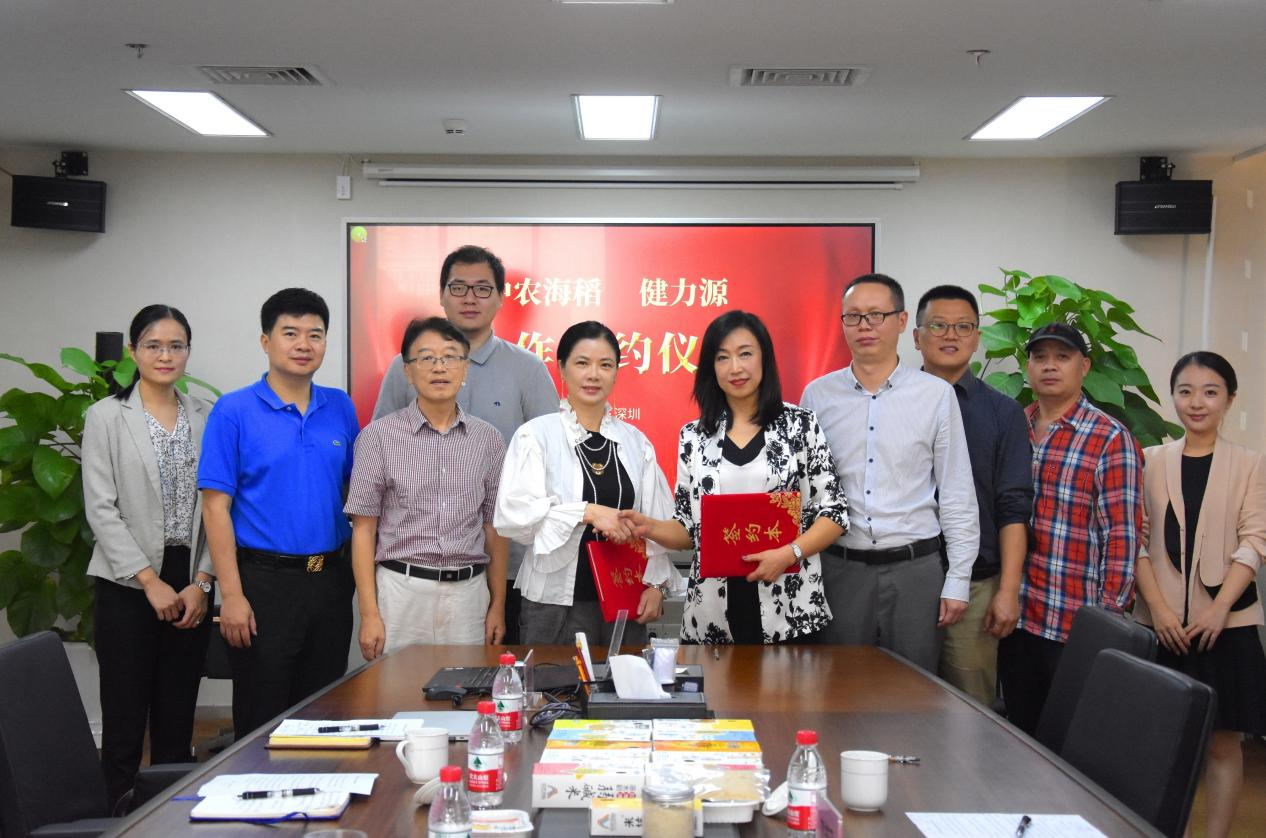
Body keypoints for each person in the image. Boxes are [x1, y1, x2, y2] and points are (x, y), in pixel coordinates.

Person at [628, 310, 849, 644]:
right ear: (710, 367)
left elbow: (834, 512)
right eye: (722, 357)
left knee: (794, 681)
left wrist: (789, 553)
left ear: (764, 358)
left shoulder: (800, 425)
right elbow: (689, 528)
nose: (735, 368)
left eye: (745, 354)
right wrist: (649, 527)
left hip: (789, 606)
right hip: (712, 613)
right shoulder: (693, 436)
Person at [372, 245, 556, 644]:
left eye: (482, 289)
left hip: (512, 565)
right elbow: (379, 454)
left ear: (501, 298)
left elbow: (552, 463)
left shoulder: (528, 369)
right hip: (413, 569)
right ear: (441, 295)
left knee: (493, 673)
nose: (470, 298)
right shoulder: (404, 368)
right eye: (458, 287)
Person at [198, 288, 360, 738]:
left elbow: (358, 492)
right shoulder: (233, 411)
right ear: (265, 341)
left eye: (315, 334)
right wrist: (231, 595)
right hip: (262, 585)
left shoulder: (340, 406)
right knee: (262, 718)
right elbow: (215, 507)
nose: (303, 344)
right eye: (290, 333)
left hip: (330, 582)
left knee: (325, 715)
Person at [801, 274, 979, 671]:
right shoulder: (817, 395)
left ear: (901, 321)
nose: (865, 325)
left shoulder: (935, 395)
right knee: (840, 688)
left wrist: (958, 580)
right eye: (853, 316)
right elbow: (807, 492)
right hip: (840, 569)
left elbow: (956, 492)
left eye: (876, 315)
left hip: (916, 572)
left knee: (915, 690)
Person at [83, 305, 213, 806]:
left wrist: (202, 581)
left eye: (176, 345)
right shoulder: (105, 416)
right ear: (133, 351)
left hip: (189, 576)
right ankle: (116, 816)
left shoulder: (206, 415)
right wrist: (148, 580)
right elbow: (101, 508)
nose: (165, 355)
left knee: (177, 713)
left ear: (187, 352)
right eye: (153, 345)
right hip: (127, 580)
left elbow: (219, 505)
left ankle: (171, 817)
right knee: (124, 714)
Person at [1134, 352, 1265, 838]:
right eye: (1185, 391)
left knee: (1223, 743)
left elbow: (1255, 540)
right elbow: (1135, 541)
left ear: (1229, 399)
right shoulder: (1149, 461)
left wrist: (1219, 609)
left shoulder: (1251, 464)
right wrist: (1159, 610)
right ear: (1172, 397)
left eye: (1210, 392)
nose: (1196, 402)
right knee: (1161, 741)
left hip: (1227, 625)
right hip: (1160, 623)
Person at [494, 320, 677, 646]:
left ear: (616, 373)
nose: (594, 374)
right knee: (554, 679)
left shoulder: (635, 442)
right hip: (553, 604)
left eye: (605, 365)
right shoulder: (536, 436)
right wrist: (587, 512)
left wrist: (655, 584)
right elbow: (514, 518)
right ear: (562, 369)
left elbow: (657, 521)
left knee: (623, 678)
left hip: (625, 598)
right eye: (582, 363)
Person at [997, 322, 1142, 734]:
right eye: (1040, 357)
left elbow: (1122, 536)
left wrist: (1105, 622)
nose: (1050, 366)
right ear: (1027, 366)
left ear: (1085, 366)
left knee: (1071, 740)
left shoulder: (1109, 437)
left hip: (1073, 623)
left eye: (1062, 357)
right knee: (1020, 735)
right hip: (1016, 616)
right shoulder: (1014, 426)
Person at [346, 317, 509, 658]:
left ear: (465, 368)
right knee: (396, 689)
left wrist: (497, 605)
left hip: (469, 595)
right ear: (407, 371)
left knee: (466, 688)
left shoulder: (488, 440)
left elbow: (494, 528)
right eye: (426, 358)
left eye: (450, 356)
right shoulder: (377, 438)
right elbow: (363, 530)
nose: (439, 367)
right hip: (401, 591)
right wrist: (369, 614)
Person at [912, 285, 1033, 705]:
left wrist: (1008, 590)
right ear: (916, 337)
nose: (951, 335)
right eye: (938, 326)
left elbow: (1013, 506)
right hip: (907, 580)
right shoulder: (893, 405)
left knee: (968, 707)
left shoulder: (1003, 413)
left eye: (963, 327)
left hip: (977, 584)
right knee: (899, 699)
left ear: (977, 337)